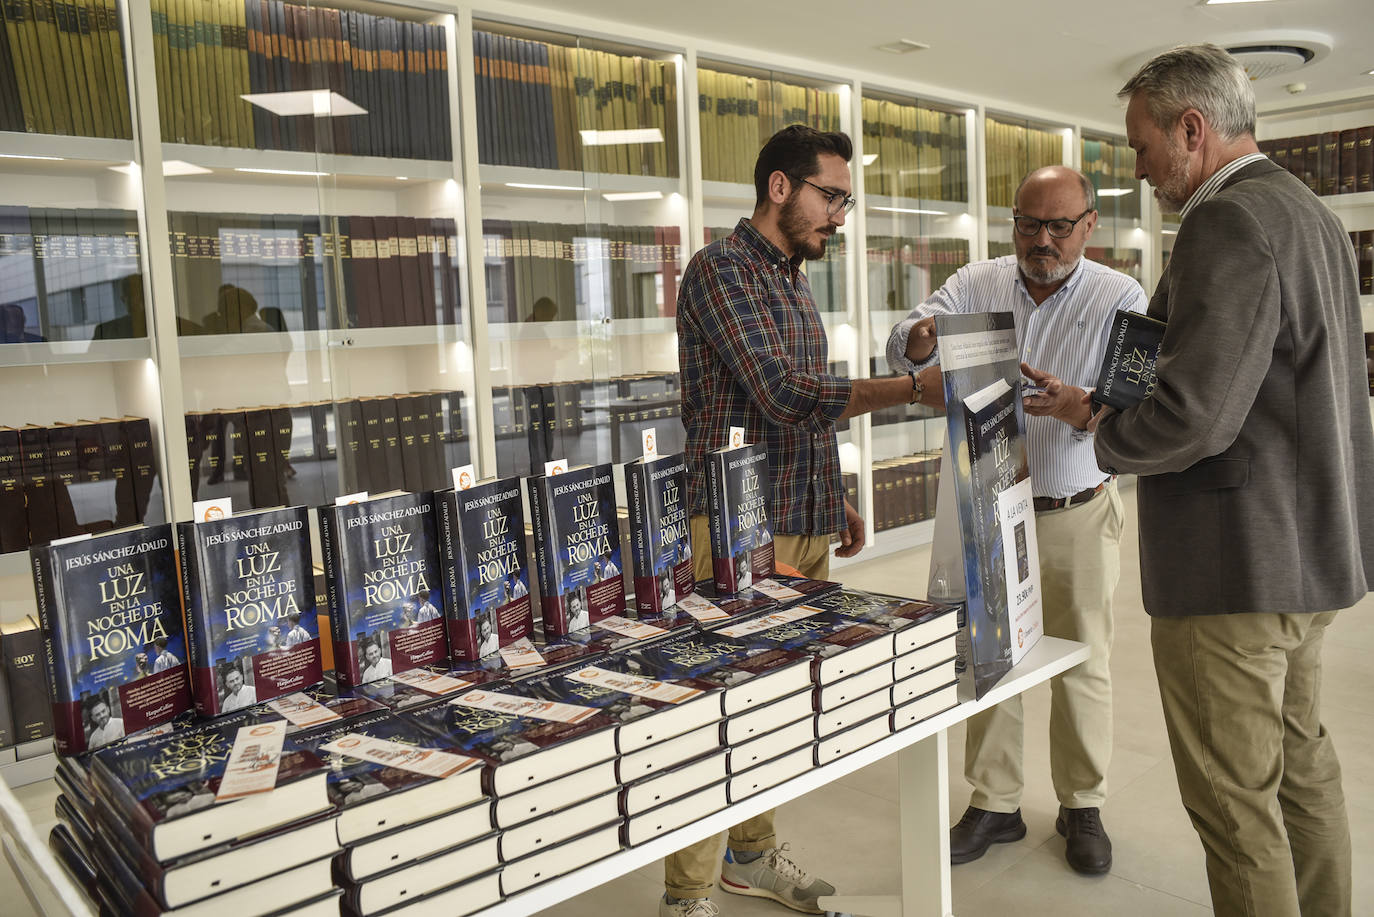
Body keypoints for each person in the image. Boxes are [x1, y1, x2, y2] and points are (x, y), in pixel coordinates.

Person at [1091, 44, 1372, 916]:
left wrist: (1104, 432)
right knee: (1301, 771)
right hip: (1305, 553)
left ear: (1192, 127)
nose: (1137, 168)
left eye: (1142, 147)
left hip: (1233, 571)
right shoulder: (1307, 212)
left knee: (1233, 804)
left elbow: (1195, 416)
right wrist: (1111, 392)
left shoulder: (1227, 222)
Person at [671, 124, 926, 917]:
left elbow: (797, 407)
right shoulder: (719, 271)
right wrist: (913, 388)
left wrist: (833, 490)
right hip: (738, 530)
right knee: (717, 710)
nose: (839, 216)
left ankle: (748, 856)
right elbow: (783, 392)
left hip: (801, 516)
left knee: (775, 705)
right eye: (830, 196)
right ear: (779, 187)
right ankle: (684, 896)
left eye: (845, 200)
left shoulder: (790, 276)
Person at [885, 165, 1147, 875]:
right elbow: (908, 336)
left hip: (1076, 507)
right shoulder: (977, 280)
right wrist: (920, 338)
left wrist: (1079, 403)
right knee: (988, 660)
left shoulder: (1121, 295)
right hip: (989, 504)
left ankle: (1081, 802)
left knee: (1084, 658)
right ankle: (994, 802)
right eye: (1029, 223)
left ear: (1089, 225)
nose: (1042, 240)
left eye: (1060, 226)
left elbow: (1138, 404)